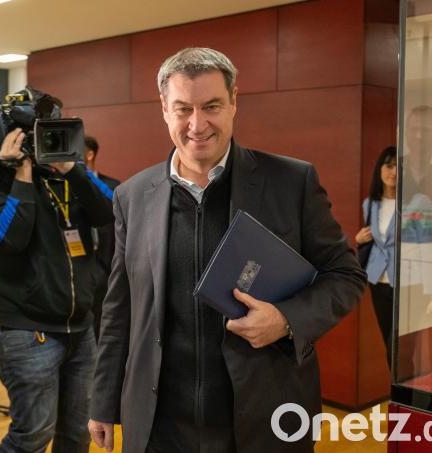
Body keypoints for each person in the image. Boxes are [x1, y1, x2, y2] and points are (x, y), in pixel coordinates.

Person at [88, 47, 366, 453]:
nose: (197, 124)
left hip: (262, 415)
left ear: (234, 103)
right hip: (159, 423)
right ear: (164, 109)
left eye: (212, 106)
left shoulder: (291, 182)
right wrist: (102, 400)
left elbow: (346, 275)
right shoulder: (132, 196)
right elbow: (120, 308)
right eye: (182, 109)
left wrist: (286, 320)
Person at [0, 124, 113, 452]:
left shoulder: (73, 179)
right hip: (28, 330)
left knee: (77, 434)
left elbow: (110, 210)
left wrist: (72, 168)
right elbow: (10, 239)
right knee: (32, 436)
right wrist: (20, 174)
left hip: (80, 329)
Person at [356, 146, 397, 365]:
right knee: (386, 341)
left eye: (399, 166)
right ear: (380, 169)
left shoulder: (412, 203)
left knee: (398, 346)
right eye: (389, 165)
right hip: (378, 280)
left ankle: (403, 394)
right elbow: (372, 238)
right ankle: (396, 394)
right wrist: (359, 240)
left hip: (405, 281)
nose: (394, 172)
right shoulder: (370, 204)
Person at [83, 135, 120, 340]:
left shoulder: (113, 187)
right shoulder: (66, 187)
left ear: (89, 154)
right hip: (81, 267)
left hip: (106, 268)